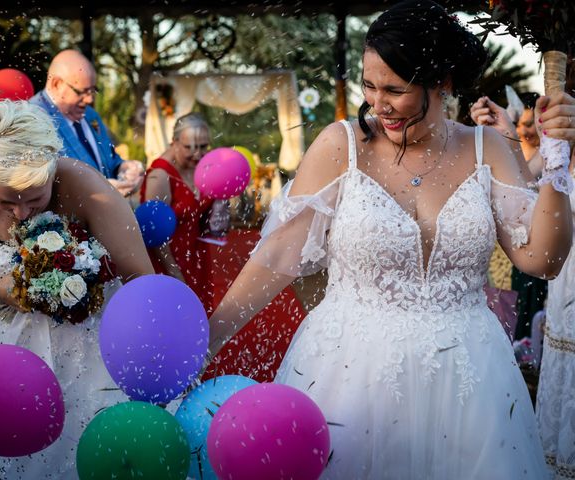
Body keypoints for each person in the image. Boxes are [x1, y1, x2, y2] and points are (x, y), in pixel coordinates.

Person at [207, 1, 575, 477]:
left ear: (441, 84)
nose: (377, 104)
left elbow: (542, 260)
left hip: (468, 379)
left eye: (395, 90)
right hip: (348, 372)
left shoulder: (489, 149)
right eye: (369, 85)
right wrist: (209, 337)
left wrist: (556, 159)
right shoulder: (341, 145)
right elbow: (278, 256)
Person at [0, 99, 154, 479]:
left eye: (34, 198)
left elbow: (140, 276)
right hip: (10, 349)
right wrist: (4, 288)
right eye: (6, 201)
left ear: (52, 168)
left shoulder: (90, 189)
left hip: (93, 347)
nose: (22, 213)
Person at [471, 92, 548, 340]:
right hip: (508, 248)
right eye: (522, 124)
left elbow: (530, 197)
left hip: (538, 245)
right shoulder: (504, 152)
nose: (527, 130)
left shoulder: (549, 155)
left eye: (530, 123)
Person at [30, 49, 144, 197]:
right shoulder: (31, 120)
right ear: (56, 84)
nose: (90, 99)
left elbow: (110, 158)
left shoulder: (90, 115)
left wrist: (123, 168)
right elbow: (37, 186)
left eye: (92, 90)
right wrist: (100, 191)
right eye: (81, 92)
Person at [138, 112, 218, 307]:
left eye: (203, 147)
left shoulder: (200, 165)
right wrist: (174, 274)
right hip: (168, 260)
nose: (198, 154)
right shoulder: (160, 175)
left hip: (197, 255)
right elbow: (155, 235)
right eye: (189, 147)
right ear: (174, 142)